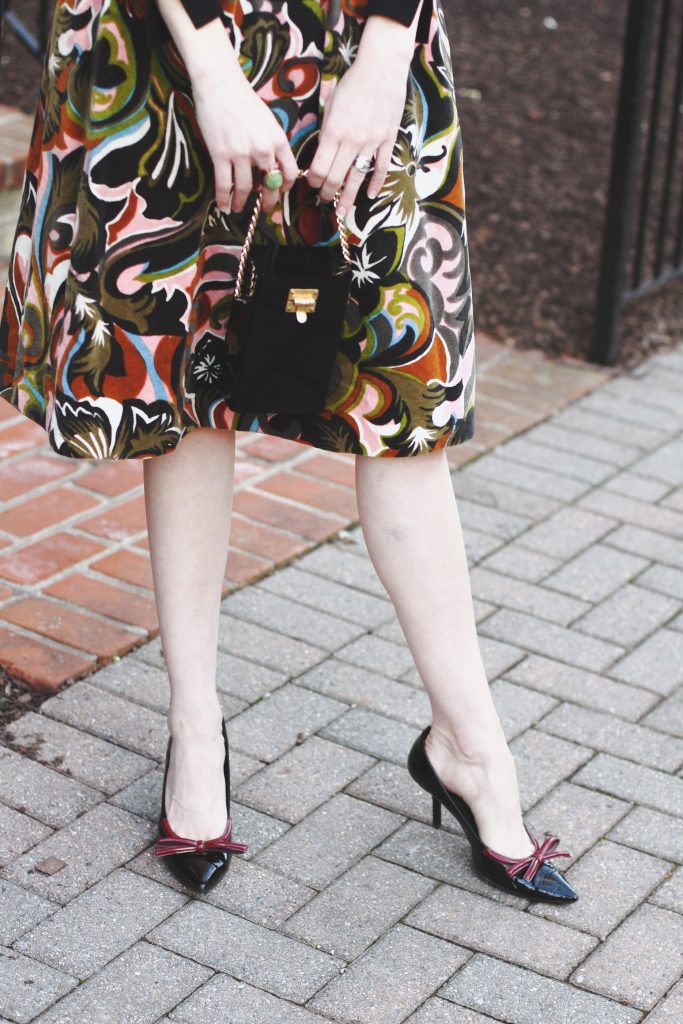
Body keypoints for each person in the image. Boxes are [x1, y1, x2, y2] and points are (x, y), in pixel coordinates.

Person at [0, 0, 577, 901]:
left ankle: (469, 749)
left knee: (401, 401)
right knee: (189, 389)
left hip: (364, 39)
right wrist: (210, 61)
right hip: (175, 41)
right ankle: (195, 731)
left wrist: (388, 49)